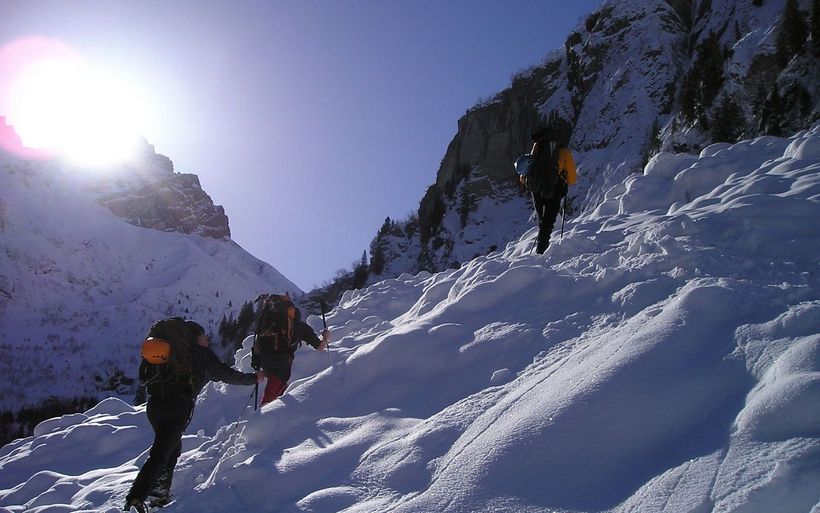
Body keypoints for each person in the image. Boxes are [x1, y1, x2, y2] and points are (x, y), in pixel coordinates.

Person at [125, 318, 263, 513]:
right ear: (196, 337)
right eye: (204, 336)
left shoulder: (171, 351)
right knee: (161, 453)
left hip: (155, 406)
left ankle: (159, 494)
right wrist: (253, 379)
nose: (207, 339)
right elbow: (224, 374)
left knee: (171, 448)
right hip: (177, 408)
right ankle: (135, 498)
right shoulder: (198, 353)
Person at [251, 295, 330, 406]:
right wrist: (326, 337)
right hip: (282, 363)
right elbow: (320, 347)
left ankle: (278, 416)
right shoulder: (300, 327)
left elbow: (258, 344)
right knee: (269, 399)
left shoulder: (269, 324)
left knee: (280, 391)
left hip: (265, 361)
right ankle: (259, 418)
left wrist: (257, 363)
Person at [517, 125, 577, 254]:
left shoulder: (537, 146)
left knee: (542, 220)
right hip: (554, 188)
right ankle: (541, 250)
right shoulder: (563, 152)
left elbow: (528, 169)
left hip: (536, 189)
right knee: (548, 220)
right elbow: (572, 178)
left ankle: (541, 246)